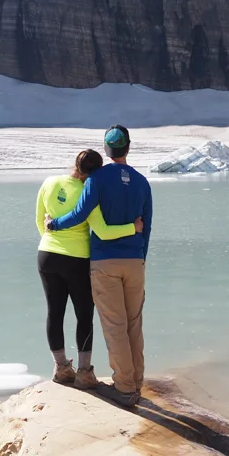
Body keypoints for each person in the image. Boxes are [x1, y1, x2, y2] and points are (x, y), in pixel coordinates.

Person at [45, 125, 152, 407]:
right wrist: (140, 257)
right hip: (135, 261)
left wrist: (53, 224)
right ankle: (136, 382)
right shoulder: (142, 182)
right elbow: (147, 226)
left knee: (115, 326)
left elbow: (80, 214)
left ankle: (125, 388)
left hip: (105, 261)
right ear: (128, 147)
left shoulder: (97, 178)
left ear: (106, 149)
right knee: (133, 325)